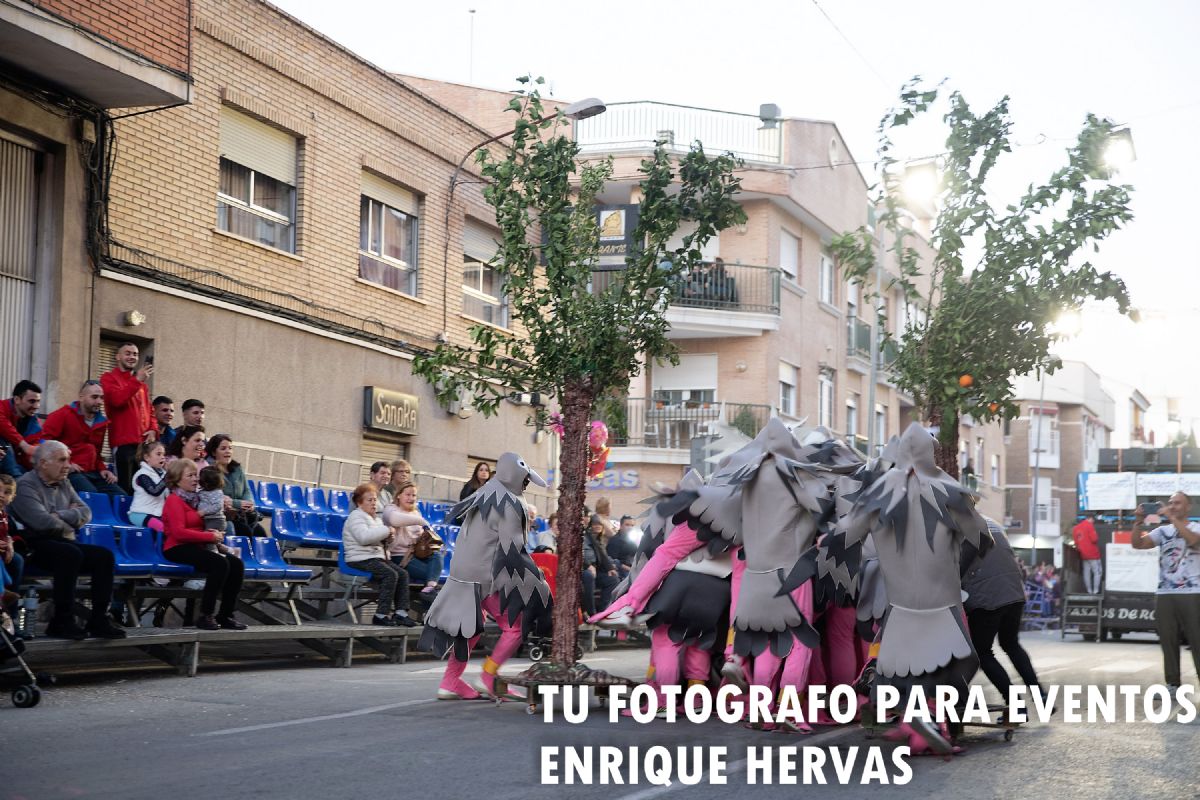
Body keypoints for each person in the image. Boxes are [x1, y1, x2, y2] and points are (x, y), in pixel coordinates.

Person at [9, 441, 125, 639]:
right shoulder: (24, 485)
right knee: (70, 554)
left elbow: (86, 512)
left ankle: (98, 619)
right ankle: (61, 620)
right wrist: (69, 519)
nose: (68, 465)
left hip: (61, 540)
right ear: (44, 463)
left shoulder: (64, 481)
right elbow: (42, 522)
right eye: (62, 460)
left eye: (68, 460)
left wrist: (58, 515)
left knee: (103, 556)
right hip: (33, 545)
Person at [961, 518, 1046, 701]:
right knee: (1011, 644)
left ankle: (1014, 704)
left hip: (987, 597)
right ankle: (1040, 694)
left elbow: (956, 566)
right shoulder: (993, 524)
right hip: (1014, 592)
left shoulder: (958, 527)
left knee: (982, 653)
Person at [160, 458, 247, 631]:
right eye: (190, 475)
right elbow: (178, 533)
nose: (196, 479)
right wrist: (209, 537)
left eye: (196, 475)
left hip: (195, 545)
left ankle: (226, 615)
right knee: (219, 563)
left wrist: (216, 530)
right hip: (176, 548)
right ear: (177, 479)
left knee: (236, 564)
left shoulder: (194, 500)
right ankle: (205, 615)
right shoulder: (174, 500)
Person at [1131, 492, 1200, 694]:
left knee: (1197, 639)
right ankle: (1172, 683)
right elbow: (1138, 544)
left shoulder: (1196, 527)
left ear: (1188, 507)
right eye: (1170, 503)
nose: (1173, 506)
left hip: (1192, 591)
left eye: (1177, 503)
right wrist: (1138, 522)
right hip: (1165, 592)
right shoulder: (1163, 530)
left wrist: (1171, 517)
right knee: (1168, 639)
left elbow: (1193, 541)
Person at [345, 483, 420, 627]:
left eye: (375, 500)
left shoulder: (376, 519)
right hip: (359, 559)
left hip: (375, 557)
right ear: (359, 502)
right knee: (390, 574)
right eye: (369, 500)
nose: (374, 503)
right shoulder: (356, 517)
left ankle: (401, 613)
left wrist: (388, 538)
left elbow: (378, 538)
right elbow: (364, 538)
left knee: (403, 574)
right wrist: (386, 531)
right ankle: (381, 614)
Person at [40, 380, 125, 497]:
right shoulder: (61, 415)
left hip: (93, 473)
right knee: (91, 495)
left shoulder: (102, 422)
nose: (99, 402)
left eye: (102, 398)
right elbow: (44, 444)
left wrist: (103, 469)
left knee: (121, 496)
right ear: (81, 397)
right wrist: (66, 464)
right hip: (68, 471)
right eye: (94, 397)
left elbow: (97, 453)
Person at [100, 342, 156, 493]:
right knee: (125, 488)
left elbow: (150, 411)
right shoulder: (108, 378)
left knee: (143, 490)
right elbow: (117, 400)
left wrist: (152, 430)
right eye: (128, 353)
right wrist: (137, 380)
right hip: (123, 444)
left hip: (142, 445)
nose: (132, 357)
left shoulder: (142, 385)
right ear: (117, 356)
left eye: (135, 354)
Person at [386, 481, 444, 598]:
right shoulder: (391, 509)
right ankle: (429, 592)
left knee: (437, 553)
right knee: (431, 573)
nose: (411, 498)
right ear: (399, 495)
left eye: (414, 495)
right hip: (400, 556)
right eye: (408, 494)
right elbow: (394, 520)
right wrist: (422, 522)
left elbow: (420, 535)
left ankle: (429, 588)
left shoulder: (416, 512)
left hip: (418, 554)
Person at [206, 434, 259, 536]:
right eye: (223, 448)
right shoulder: (210, 471)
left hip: (241, 514)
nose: (228, 451)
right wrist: (238, 504)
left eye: (230, 448)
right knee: (245, 532)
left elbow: (246, 490)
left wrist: (249, 503)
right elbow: (216, 496)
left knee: (260, 532)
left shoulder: (237, 468)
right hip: (223, 516)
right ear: (213, 452)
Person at [0, 380, 44, 477]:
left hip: (16, 465)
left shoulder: (35, 424)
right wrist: (24, 445)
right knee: (4, 440)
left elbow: (32, 448)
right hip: (7, 463)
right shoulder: (2, 407)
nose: (37, 406)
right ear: (17, 399)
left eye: (38, 401)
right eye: (32, 401)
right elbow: (3, 425)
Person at [581, 513, 619, 617]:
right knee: (589, 576)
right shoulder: (583, 536)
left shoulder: (596, 538)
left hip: (595, 569)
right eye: (594, 524)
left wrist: (610, 568)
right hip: (581, 569)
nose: (597, 526)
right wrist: (587, 565)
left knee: (613, 579)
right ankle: (591, 612)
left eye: (599, 524)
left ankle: (603, 611)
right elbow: (576, 553)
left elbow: (602, 555)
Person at [128, 441, 169, 527]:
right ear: (147, 457)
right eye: (158, 454)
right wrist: (168, 475)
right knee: (164, 529)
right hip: (140, 514)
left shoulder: (162, 475)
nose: (162, 457)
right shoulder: (142, 475)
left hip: (157, 514)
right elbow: (154, 491)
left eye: (163, 454)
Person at [0, 474, 23, 625]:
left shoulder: (4, 515)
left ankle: (12, 617)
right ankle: (2, 594)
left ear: (13, 497)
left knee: (17, 560)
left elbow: (7, 533)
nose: (1, 495)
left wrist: (10, 542)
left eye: (7, 492)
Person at [197, 467, 230, 548]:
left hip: (216, 520)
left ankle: (214, 553)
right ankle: (226, 550)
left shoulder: (217, 492)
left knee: (210, 539)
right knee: (214, 542)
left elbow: (217, 506)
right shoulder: (202, 492)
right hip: (208, 520)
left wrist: (204, 512)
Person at [1072, 512, 1102, 594]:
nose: (1093, 522)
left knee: (1086, 573)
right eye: (1093, 520)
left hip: (1083, 554)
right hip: (1093, 554)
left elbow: (1076, 542)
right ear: (1090, 519)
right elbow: (1094, 539)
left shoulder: (1076, 528)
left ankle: (1089, 590)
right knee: (1097, 572)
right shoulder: (1089, 526)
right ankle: (1095, 591)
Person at [606, 514, 639, 580]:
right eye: (627, 525)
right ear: (620, 526)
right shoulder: (615, 541)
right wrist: (630, 569)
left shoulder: (632, 539)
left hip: (633, 567)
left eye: (632, 525)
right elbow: (613, 561)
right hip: (622, 571)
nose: (630, 527)